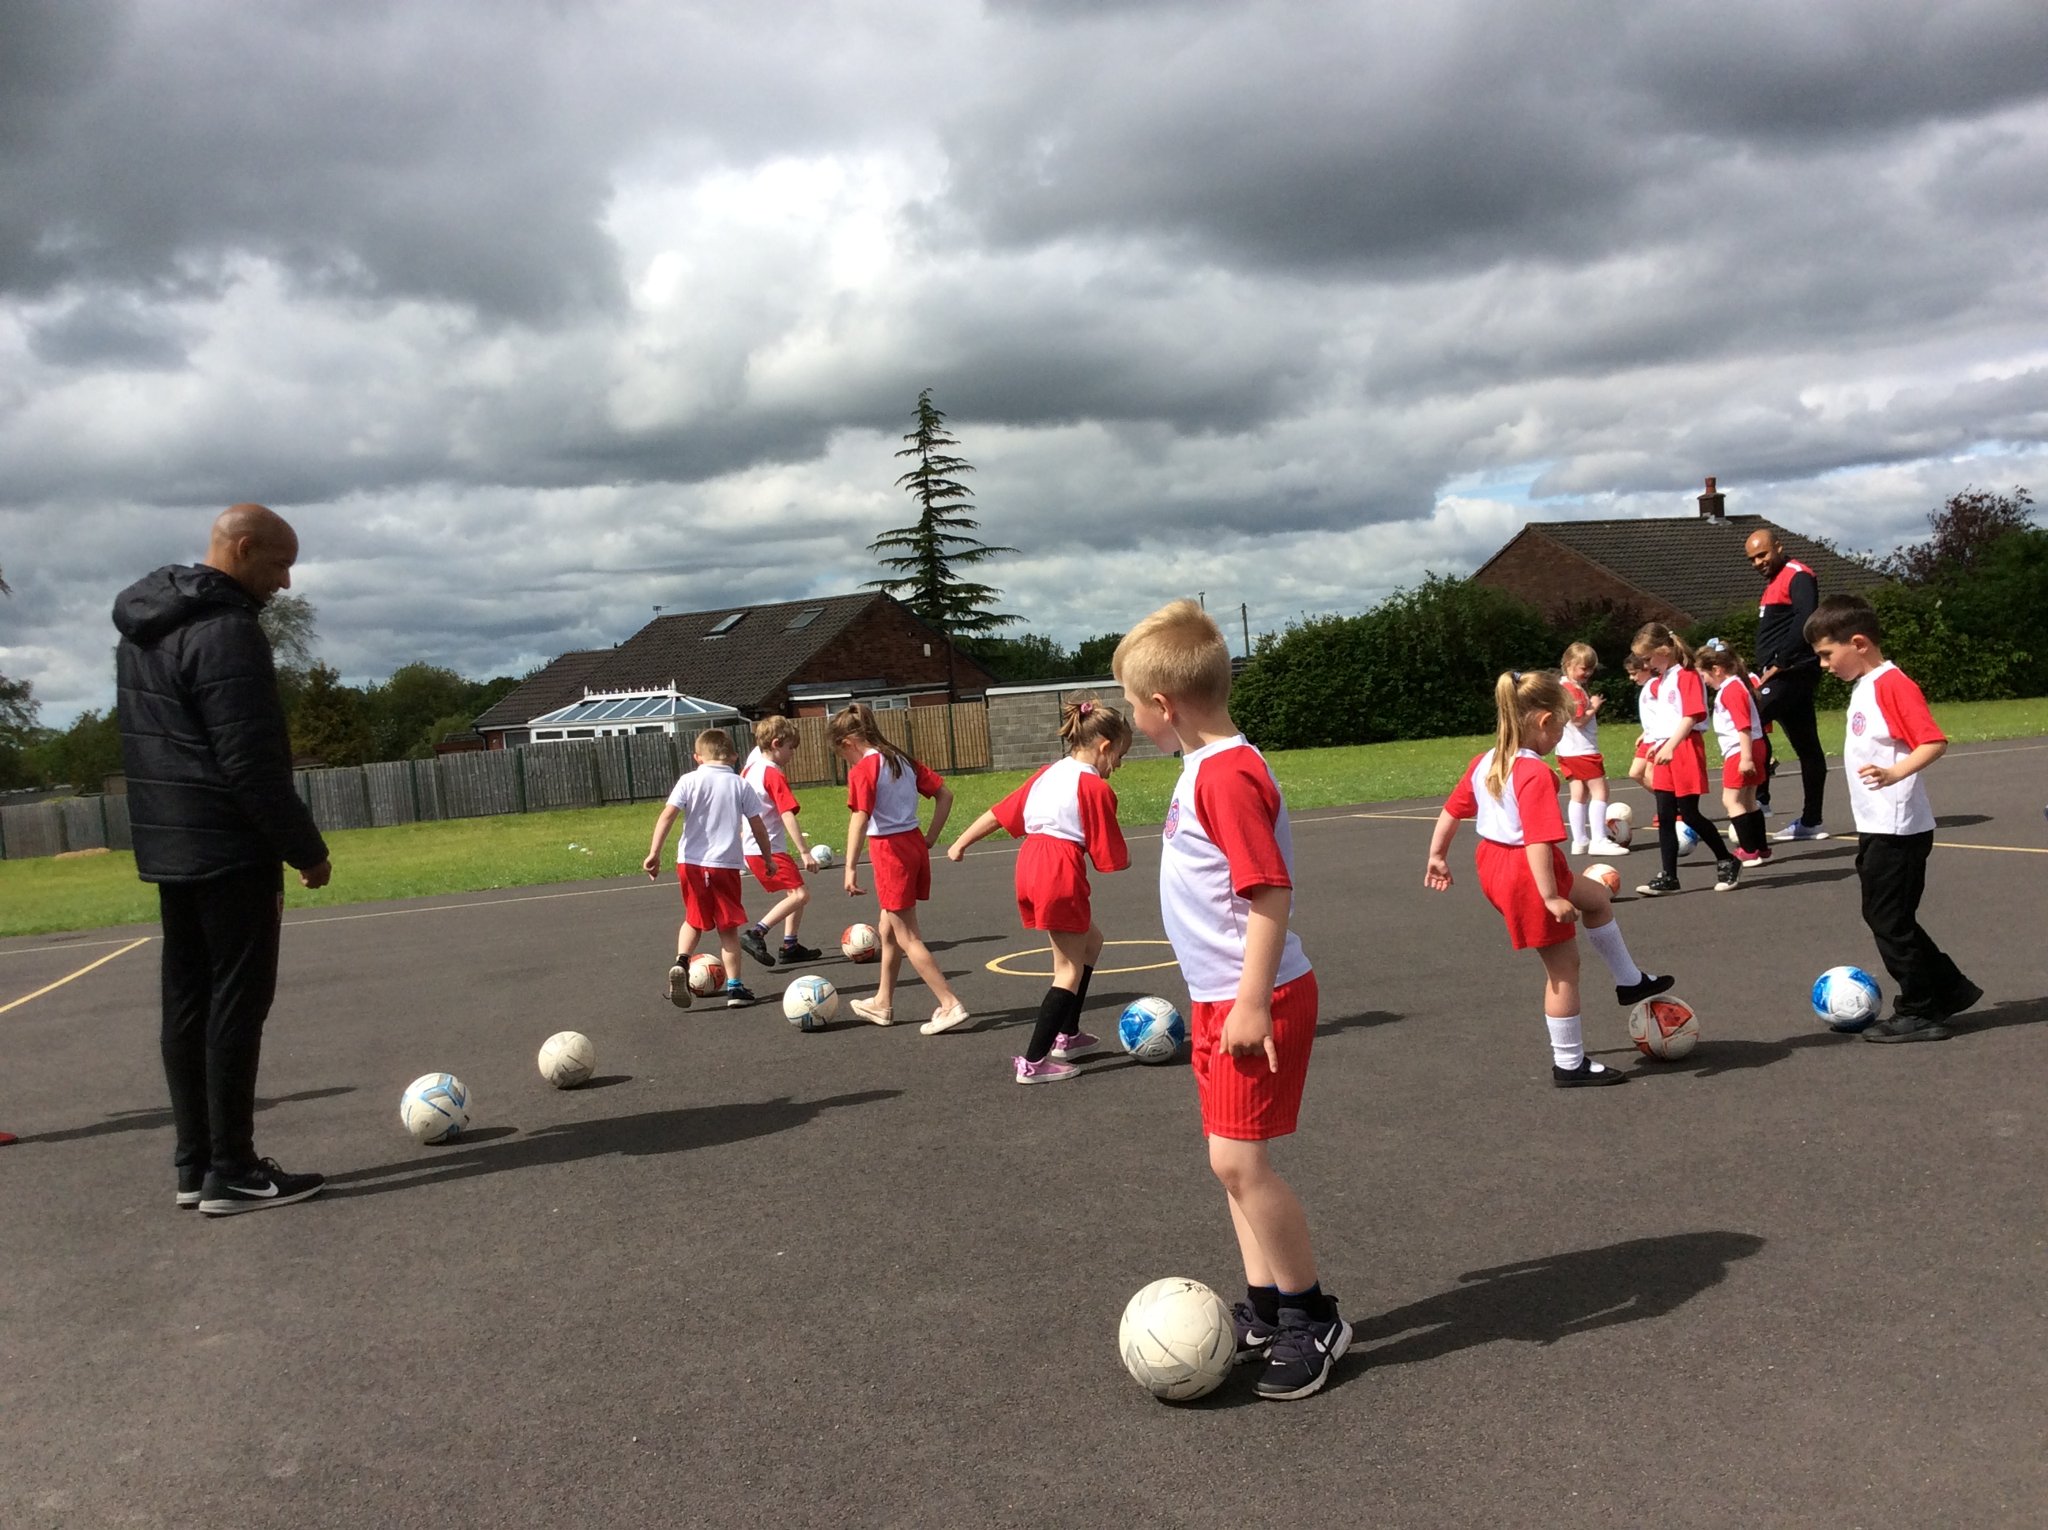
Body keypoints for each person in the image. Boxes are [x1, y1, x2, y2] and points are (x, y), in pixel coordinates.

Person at [1113, 599, 1346, 1402]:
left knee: (1240, 1163)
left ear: (1163, 706)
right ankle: (1267, 1306)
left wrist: (1250, 1003)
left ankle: (1313, 1318)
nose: (1129, 715)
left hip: (1259, 999)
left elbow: (1269, 893)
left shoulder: (1229, 775)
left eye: (1131, 702)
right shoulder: (1202, 766)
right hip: (1220, 1000)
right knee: (1230, 1165)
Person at [112, 503, 332, 1216]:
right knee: (237, 1004)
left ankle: (196, 1164)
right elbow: (251, 760)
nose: (287, 583)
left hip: (169, 841)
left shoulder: (145, 629)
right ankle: (233, 1170)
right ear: (241, 549)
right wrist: (305, 848)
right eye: (278, 564)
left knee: (187, 1002)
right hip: (228, 843)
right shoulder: (227, 632)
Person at [1425, 670, 1675, 1089]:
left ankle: (1630, 981)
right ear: (1544, 721)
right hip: (1528, 871)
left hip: (1498, 861)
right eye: (1561, 723)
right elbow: (1538, 841)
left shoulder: (1486, 761)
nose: (1563, 732)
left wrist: (1437, 855)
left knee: (1596, 897)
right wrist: (1550, 897)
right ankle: (1569, 1063)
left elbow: (1452, 811)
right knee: (1563, 970)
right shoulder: (1535, 774)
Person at [1805, 595, 1981, 1041]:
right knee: (1889, 917)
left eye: (1827, 654)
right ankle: (1949, 988)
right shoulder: (1867, 686)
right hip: (1878, 825)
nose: (1824, 665)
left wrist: (1894, 772)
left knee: (1889, 921)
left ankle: (1921, 1009)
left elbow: (1932, 741)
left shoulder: (1892, 684)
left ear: (1858, 642)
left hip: (1898, 828)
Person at [948, 695, 1133, 1084]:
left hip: (1030, 863)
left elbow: (1000, 812)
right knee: (1067, 969)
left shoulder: (1049, 772)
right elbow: (1110, 859)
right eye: (1119, 756)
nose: (1118, 765)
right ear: (1104, 746)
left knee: (1091, 943)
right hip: (1058, 869)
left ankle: (1069, 1033)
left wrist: (961, 842)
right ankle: (1034, 1061)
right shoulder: (1094, 787)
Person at [831, 703, 968, 1034]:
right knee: (888, 927)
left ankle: (949, 1003)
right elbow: (944, 795)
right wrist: (931, 836)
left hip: (890, 850)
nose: (844, 759)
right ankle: (883, 1002)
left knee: (907, 935)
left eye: (841, 753)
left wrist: (849, 867)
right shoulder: (900, 758)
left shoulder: (864, 768)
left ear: (848, 742)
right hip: (912, 844)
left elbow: (859, 818)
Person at [643, 728, 776, 1009]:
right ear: (734, 756)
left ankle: (681, 961)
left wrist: (654, 852)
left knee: (693, 919)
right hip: (724, 865)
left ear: (697, 757)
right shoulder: (740, 785)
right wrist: (768, 857)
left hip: (690, 863)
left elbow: (668, 815)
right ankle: (735, 988)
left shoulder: (689, 780)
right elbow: (757, 825)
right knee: (727, 929)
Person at [1631, 623, 1740, 896]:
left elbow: (1691, 715)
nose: (1646, 664)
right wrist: (1654, 741)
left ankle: (1727, 858)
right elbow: (1664, 718)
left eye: (1647, 658)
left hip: (1685, 747)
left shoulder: (1687, 675)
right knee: (1666, 814)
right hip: (1666, 747)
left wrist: (1671, 745)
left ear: (1664, 651)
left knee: (1690, 813)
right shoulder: (1664, 679)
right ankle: (1669, 875)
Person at [1745, 528, 1830, 841]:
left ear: (1778, 547)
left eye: (1763, 554)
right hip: (1784, 672)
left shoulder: (1799, 575)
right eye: (1752, 559)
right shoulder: (1772, 585)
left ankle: (1757, 803)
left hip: (1791, 673)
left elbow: (1807, 618)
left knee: (1746, 722)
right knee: (1807, 746)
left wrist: (1780, 660)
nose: (1758, 562)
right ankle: (1811, 821)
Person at [738, 716, 821, 965]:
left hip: (754, 846)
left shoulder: (750, 769)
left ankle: (790, 945)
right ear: (776, 744)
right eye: (790, 748)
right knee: (800, 895)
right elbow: (787, 814)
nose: (792, 753)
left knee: (794, 890)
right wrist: (804, 852)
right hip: (768, 848)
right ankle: (756, 933)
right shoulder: (773, 774)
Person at [1695, 640, 1770, 863]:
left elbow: (1742, 725)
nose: (1705, 681)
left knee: (1731, 800)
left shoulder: (1731, 690)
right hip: (1752, 746)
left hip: (1743, 749)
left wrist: (1745, 758)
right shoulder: (1738, 686)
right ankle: (1761, 848)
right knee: (1749, 799)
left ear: (1717, 670)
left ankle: (1748, 850)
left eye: (1704, 675)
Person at [1556, 643, 1628, 856]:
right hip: (1582, 750)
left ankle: (1580, 840)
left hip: (1567, 750)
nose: (1587, 673)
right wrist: (1594, 706)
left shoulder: (1563, 686)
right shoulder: (1573, 691)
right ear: (1569, 664)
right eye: (1583, 668)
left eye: (1590, 669)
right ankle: (1599, 839)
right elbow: (1578, 720)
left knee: (1578, 793)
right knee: (1600, 791)